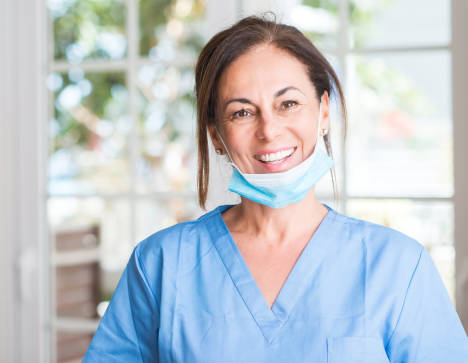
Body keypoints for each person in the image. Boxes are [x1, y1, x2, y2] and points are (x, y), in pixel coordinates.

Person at [83, 15, 468, 362]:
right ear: (216, 135)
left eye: (288, 104)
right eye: (242, 112)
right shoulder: (160, 266)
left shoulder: (398, 266)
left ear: (323, 112)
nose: (269, 130)